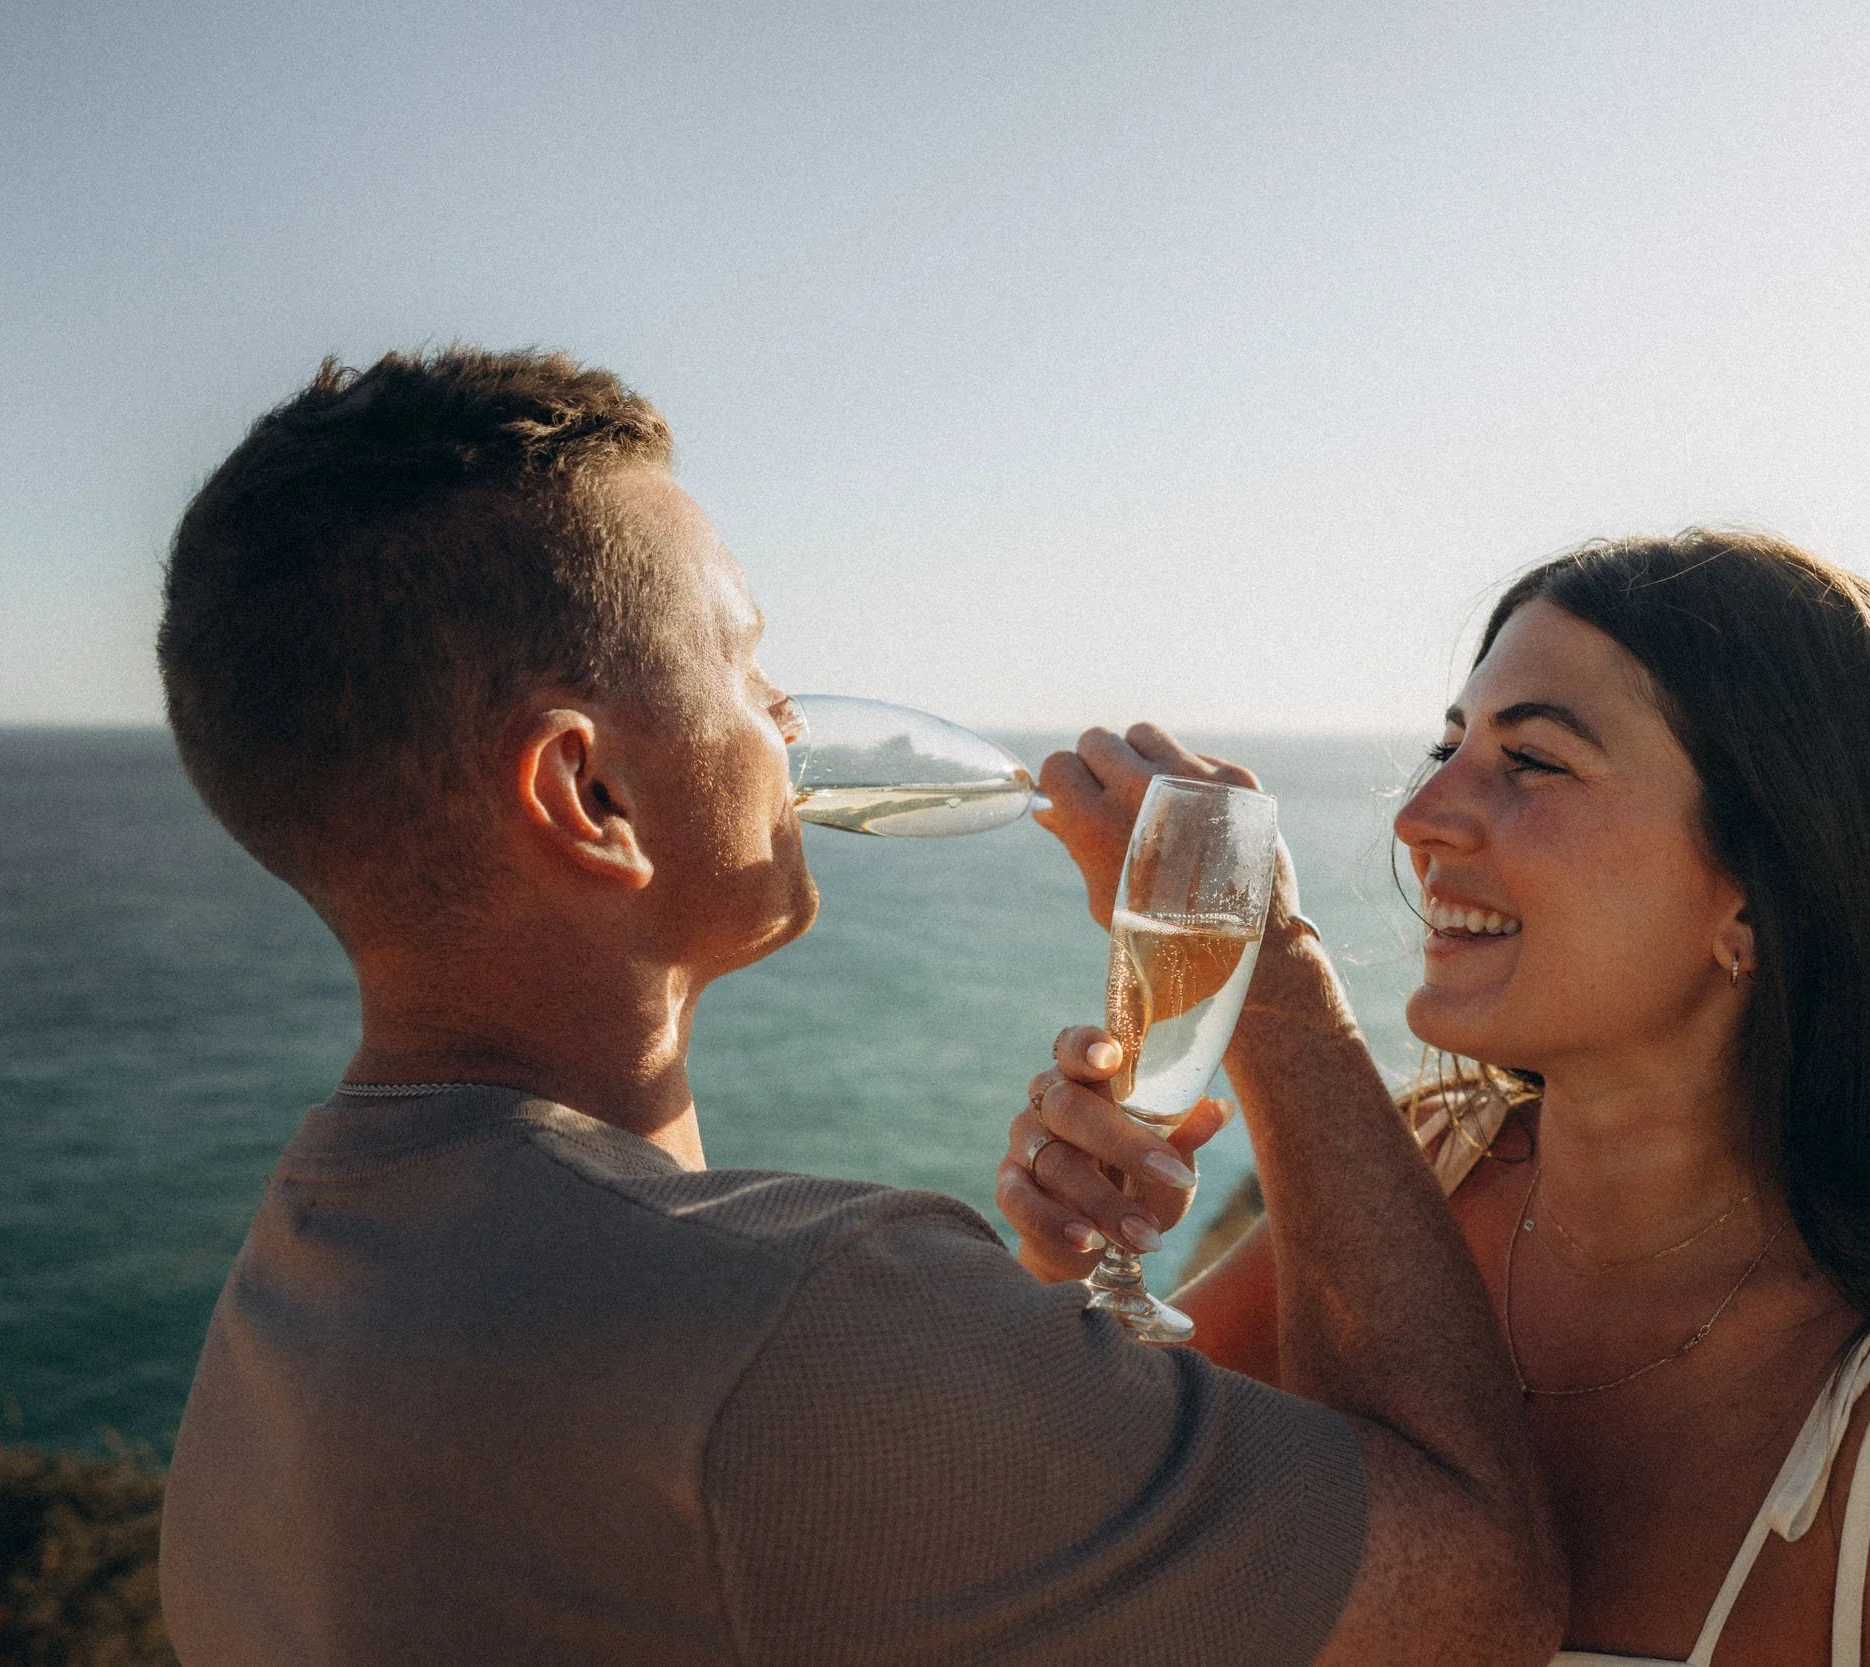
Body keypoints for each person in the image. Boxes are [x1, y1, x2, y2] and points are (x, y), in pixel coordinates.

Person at [152, 347, 1566, 1666]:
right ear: (589, 796)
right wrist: (1271, 973)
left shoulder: (287, 1301)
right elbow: (1481, 1589)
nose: (790, 723)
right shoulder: (808, 1313)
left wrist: (1036, 1331)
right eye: (744, 665)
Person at [1000, 532, 1870, 1665]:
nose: (1421, 816)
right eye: (1449, 746)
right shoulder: (1431, 1159)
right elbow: (1095, 1505)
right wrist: (1069, 1271)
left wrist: (1273, 988)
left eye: (1532, 761)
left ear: (1760, 894)